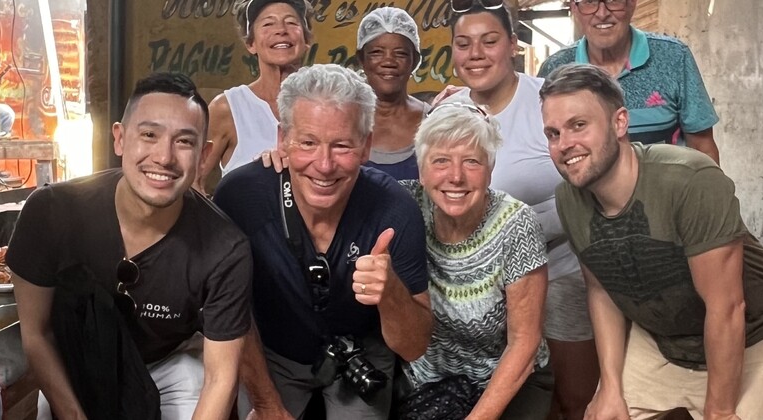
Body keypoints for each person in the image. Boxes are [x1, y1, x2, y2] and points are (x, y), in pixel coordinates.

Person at [7, 73, 259, 419]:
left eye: (184, 142)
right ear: (120, 139)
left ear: (204, 156)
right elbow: (37, 333)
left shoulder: (225, 248)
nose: (164, 157)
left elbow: (220, 377)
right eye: (149, 135)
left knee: (194, 378)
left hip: (166, 361)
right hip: (77, 358)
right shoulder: (51, 211)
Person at [540, 63, 763, 420]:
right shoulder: (569, 197)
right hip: (664, 342)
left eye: (578, 125)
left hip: (752, 338)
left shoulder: (690, 180)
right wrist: (611, 387)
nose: (564, 144)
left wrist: (720, 412)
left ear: (619, 123)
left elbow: (726, 309)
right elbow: (602, 290)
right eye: (553, 133)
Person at [213, 64, 432, 419]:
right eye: (308, 143)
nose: (325, 164)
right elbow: (230, 317)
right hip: (270, 350)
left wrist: (390, 293)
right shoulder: (240, 197)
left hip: (360, 352)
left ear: (366, 146)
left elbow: (415, 345)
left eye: (342, 145)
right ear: (282, 139)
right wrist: (267, 404)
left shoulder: (394, 208)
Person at [436, 3, 600, 418]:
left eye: (489, 41)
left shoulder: (547, 100)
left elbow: (591, 176)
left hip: (562, 273)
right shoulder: (445, 114)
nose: (476, 53)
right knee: (513, 398)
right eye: (463, 43)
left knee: (573, 398)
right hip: (483, 293)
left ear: (512, 44)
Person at [397, 98, 550, 419]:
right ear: (421, 170)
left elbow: (524, 342)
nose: (456, 176)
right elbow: (339, 180)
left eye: (471, 161)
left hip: (507, 379)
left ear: (491, 169)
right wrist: (280, 160)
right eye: (440, 161)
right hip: (425, 382)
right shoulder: (404, 203)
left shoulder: (516, 223)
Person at [538, 0, 720, 164]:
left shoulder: (673, 57)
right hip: (587, 198)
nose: (602, 13)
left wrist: (713, 198)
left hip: (670, 195)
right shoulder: (556, 69)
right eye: (589, 2)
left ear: (632, 4)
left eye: (613, 1)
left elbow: (702, 146)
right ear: (574, 8)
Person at [194, 0, 311, 194]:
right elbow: (192, 181)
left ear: (306, 39)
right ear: (251, 43)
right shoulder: (228, 108)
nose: (281, 30)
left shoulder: (325, 104)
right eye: (268, 24)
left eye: (291, 22)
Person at [355, 6, 429, 180]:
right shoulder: (344, 119)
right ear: (361, 59)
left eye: (400, 53)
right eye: (376, 53)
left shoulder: (434, 121)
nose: (388, 61)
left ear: (415, 60)